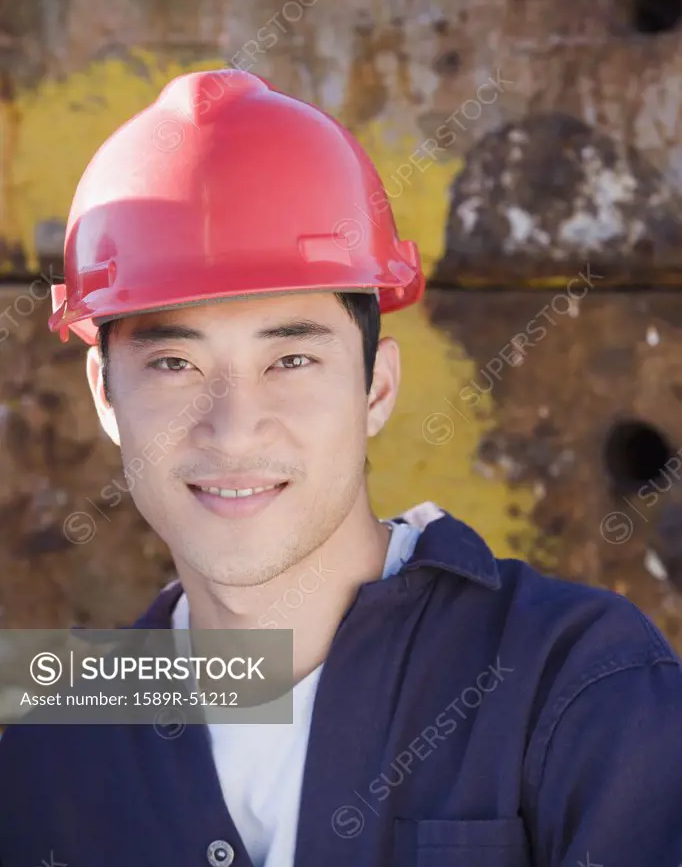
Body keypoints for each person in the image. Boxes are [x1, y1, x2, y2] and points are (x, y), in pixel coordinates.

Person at [0, 69, 680, 867]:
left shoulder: (573, 679)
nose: (233, 427)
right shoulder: (58, 736)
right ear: (105, 395)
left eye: (290, 358)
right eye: (175, 364)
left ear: (376, 388)